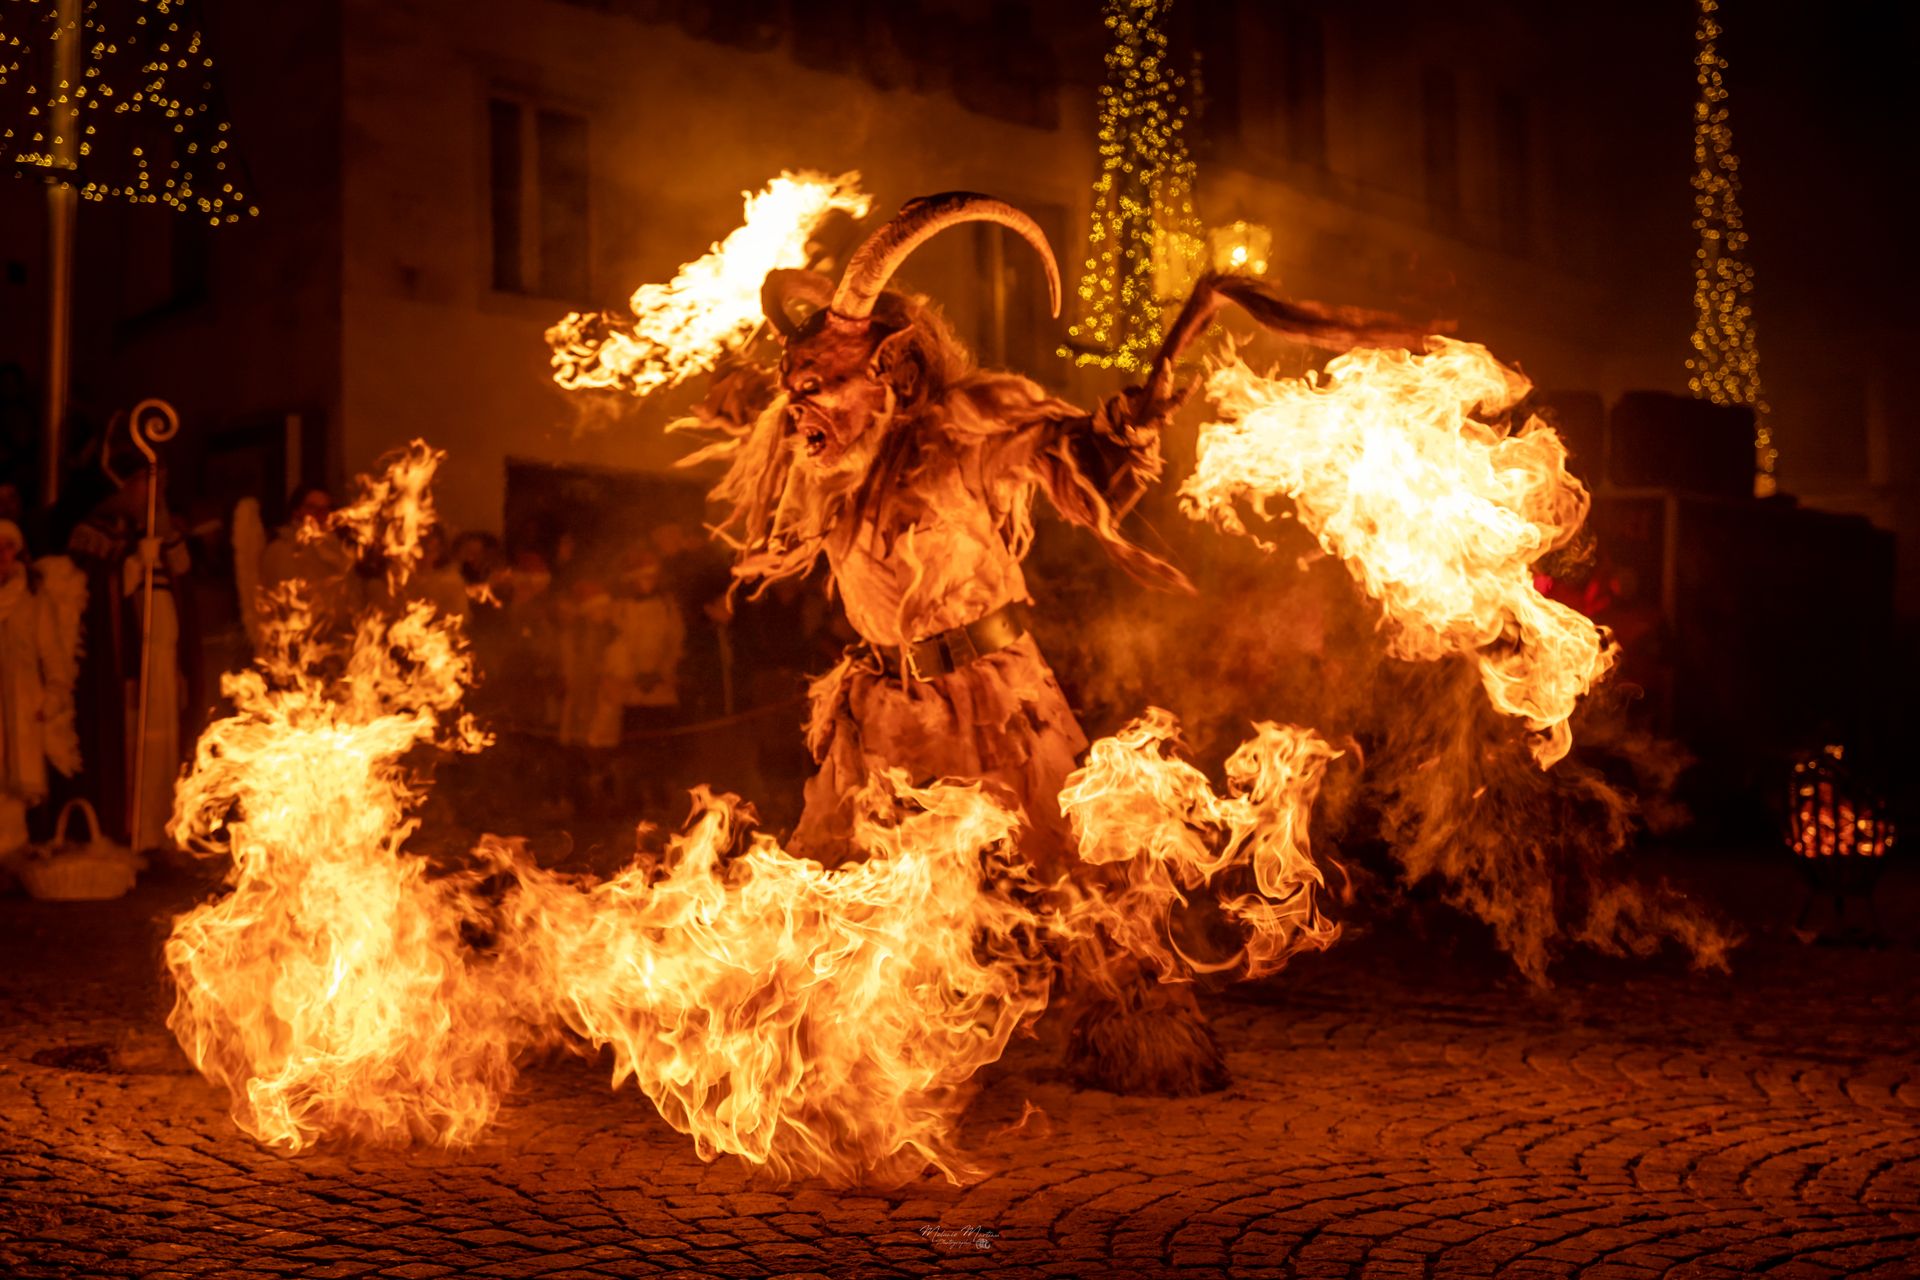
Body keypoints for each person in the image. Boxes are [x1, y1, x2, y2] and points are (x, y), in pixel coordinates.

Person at [67, 464, 195, 851]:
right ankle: (130, 832)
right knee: (130, 740)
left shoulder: (166, 527)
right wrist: (133, 564)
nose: (155, 491)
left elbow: (184, 580)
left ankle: (158, 830)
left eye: (162, 484)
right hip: (127, 659)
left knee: (164, 743)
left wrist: (164, 542)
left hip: (164, 653)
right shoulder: (97, 530)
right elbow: (92, 594)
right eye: (148, 482)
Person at [0, 521, 85, 858]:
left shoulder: (33, 601)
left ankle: (11, 859)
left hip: (22, 709)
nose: (2, 555)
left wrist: (48, 703)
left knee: (14, 794)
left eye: (8, 547)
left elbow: (55, 662)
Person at [258, 484, 362, 643]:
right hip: (306, 644)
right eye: (312, 508)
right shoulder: (281, 550)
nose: (320, 514)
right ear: (296, 511)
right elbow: (289, 606)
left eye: (325, 509)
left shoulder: (338, 549)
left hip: (346, 641)